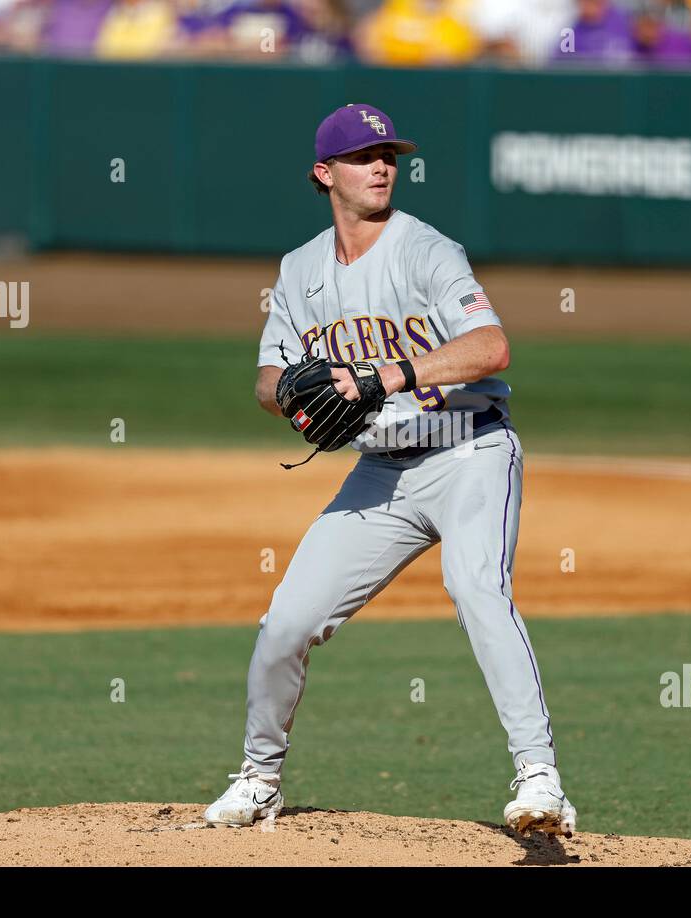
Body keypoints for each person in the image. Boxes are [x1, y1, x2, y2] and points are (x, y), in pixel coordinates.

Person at [202, 103, 575, 837]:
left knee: (476, 588)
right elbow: (266, 378)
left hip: (470, 448)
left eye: (389, 155)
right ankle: (259, 776)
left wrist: (385, 374)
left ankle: (541, 778)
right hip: (381, 474)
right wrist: (294, 395)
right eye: (362, 156)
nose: (380, 167)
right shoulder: (301, 270)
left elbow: (491, 347)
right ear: (324, 173)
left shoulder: (426, 250)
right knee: (286, 623)